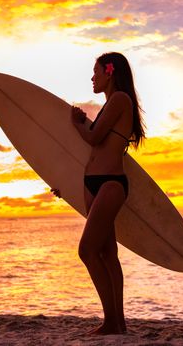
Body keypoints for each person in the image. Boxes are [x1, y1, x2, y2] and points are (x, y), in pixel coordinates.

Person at [51, 52, 145, 335]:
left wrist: (78, 123)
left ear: (109, 71)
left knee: (87, 250)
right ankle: (119, 323)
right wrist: (66, 186)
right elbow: (90, 150)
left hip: (110, 183)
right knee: (106, 253)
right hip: (91, 183)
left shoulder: (120, 100)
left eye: (95, 72)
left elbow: (93, 138)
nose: (92, 78)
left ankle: (111, 321)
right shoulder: (109, 105)